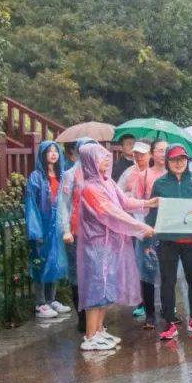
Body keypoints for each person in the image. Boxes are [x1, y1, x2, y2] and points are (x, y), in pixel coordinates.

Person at [72, 142, 157, 351]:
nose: (107, 160)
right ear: (91, 161)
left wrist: (148, 203)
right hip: (96, 246)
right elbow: (111, 212)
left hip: (109, 246)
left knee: (105, 287)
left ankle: (99, 330)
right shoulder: (90, 188)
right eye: (101, 157)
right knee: (95, 289)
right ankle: (90, 335)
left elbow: (125, 203)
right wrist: (140, 227)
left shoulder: (107, 182)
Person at [147, 144, 192, 340]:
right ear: (167, 162)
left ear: (187, 161)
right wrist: (149, 238)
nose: (178, 163)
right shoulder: (160, 184)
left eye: (182, 159)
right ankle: (169, 322)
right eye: (174, 160)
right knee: (168, 282)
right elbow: (153, 212)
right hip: (168, 241)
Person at [24, 140, 72, 319]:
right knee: (40, 263)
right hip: (43, 225)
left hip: (57, 225)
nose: (53, 154)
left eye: (56, 151)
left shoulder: (61, 175)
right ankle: (40, 303)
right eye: (49, 151)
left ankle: (52, 299)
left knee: (55, 261)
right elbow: (31, 205)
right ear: (42, 155)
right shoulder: (36, 177)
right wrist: (35, 230)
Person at [118, 141, 159, 327]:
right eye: (136, 154)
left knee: (163, 267)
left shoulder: (160, 173)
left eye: (142, 154)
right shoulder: (130, 173)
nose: (139, 157)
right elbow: (120, 196)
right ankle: (144, 304)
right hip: (138, 225)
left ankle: (168, 304)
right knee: (143, 265)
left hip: (159, 225)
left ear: (150, 155)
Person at [59, 137, 97, 333]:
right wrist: (65, 230)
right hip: (76, 233)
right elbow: (63, 205)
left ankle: (95, 319)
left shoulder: (101, 175)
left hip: (96, 234)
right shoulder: (70, 175)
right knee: (77, 276)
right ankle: (82, 317)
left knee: (95, 275)